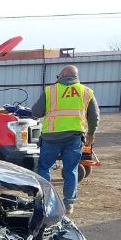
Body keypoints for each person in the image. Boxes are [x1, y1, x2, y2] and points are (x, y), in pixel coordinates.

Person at [31, 65, 99, 215]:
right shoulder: (86, 92)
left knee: (44, 167)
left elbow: (36, 112)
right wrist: (91, 133)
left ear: (61, 75)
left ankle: (46, 200)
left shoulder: (50, 91)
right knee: (71, 170)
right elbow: (94, 116)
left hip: (51, 137)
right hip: (74, 137)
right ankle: (68, 204)